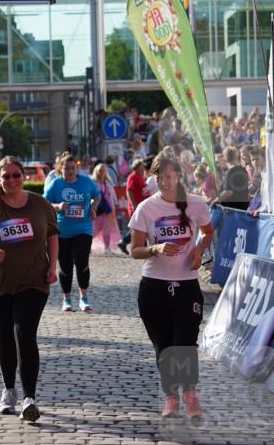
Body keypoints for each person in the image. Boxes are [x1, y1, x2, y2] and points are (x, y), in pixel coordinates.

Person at [0, 156, 58, 422]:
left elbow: (52, 234)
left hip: (33, 281)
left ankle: (30, 398)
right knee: (5, 337)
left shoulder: (39, 204)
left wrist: (53, 267)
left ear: (24, 176)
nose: (12, 181)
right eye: (6, 177)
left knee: (25, 334)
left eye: (16, 175)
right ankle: (8, 391)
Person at [129, 151, 214, 420]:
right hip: (154, 287)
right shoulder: (146, 208)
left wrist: (199, 251)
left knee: (185, 343)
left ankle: (191, 395)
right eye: (160, 176)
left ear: (178, 176)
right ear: (154, 178)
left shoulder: (196, 203)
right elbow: (134, 250)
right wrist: (155, 248)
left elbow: (208, 231)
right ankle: (170, 397)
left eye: (170, 175)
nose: (166, 181)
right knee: (164, 347)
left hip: (187, 285)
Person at [44, 154, 100, 312]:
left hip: (83, 229)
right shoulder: (55, 184)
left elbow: (97, 195)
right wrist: (58, 206)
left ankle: (84, 297)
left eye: (72, 168)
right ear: (60, 169)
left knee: (81, 262)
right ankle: (66, 299)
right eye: (66, 168)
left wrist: (94, 207)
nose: (70, 171)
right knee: (65, 266)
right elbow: (44, 202)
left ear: (77, 168)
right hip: (62, 231)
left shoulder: (86, 181)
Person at [117, 157, 152, 255]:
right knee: (138, 227)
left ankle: (129, 243)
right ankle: (124, 242)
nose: (143, 170)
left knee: (141, 227)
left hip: (142, 207)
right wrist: (133, 204)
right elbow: (129, 191)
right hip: (136, 207)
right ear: (136, 168)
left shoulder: (140, 177)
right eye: (141, 168)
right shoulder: (133, 176)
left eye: (143, 168)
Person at [91, 162, 117, 253]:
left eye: (103, 170)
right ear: (96, 171)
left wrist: (113, 207)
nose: (102, 172)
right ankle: (87, 245)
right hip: (95, 210)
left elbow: (112, 196)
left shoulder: (107, 183)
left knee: (107, 229)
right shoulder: (93, 183)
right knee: (95, 230)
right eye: (100, 170)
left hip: (105, 210)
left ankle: (107, 248)